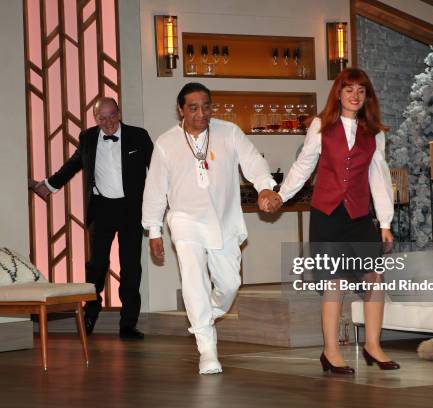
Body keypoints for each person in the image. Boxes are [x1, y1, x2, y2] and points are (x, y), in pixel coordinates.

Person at [263, 68, 400, 373]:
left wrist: (386, 222)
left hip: (360, 216)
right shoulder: (321, 125)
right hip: (327, 214)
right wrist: (281, 195)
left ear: (367, 97)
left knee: (373, 279)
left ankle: (373, 346)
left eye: (361, 91)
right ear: (338, 93)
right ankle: (330, 352)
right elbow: (303, 166)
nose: (354, 95)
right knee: (334, 282)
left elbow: (379, 177)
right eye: (349, 89)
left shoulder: (374, 133)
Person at [142, 82, 277, 374]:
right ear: (180, 110)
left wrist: (265, 187)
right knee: (193, 279)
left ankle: (206, 316)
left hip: (224, 220)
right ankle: (207, 349)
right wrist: (154, 230)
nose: (201, 113)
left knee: (230, 284)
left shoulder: (229, 132)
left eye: (206, 106)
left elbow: (253, 161)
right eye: (193, 108)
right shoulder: (166, 143)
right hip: (184, 220)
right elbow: (154, 190)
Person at [29, 97, 153, 340]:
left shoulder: (139, 136)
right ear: (95, 118)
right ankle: (90, 315)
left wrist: (168, 198)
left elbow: (158, 169)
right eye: (101, 117)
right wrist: (46, 186)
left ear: (119, 112)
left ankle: (128, 324)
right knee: (95, 266)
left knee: (130, 268)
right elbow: (72, 165)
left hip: (131, 209)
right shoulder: (87, 138)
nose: (107, 122)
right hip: (101, 209)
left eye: (111, 115)